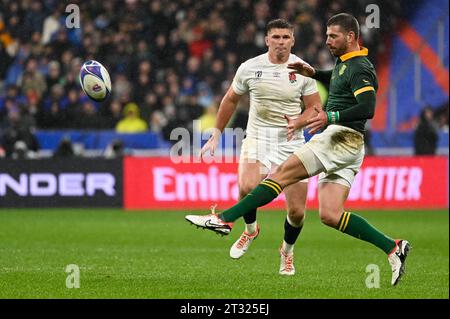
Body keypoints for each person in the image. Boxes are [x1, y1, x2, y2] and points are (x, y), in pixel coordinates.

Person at [186, 13, 411, 286]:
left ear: (351, 37)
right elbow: (338, 81)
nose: (327, 40)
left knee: (280, 178)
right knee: (330, 214)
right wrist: (315, 73)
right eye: (327, 35)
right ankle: (392, 247)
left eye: (333, 36)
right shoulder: (344, 63)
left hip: (339, 137)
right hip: (349, 146)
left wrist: (330, 117)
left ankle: (224, 219)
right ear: (267, 39)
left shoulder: (360, 67)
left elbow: (368, 108)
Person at [198, 19, 322, 275]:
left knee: (297, 212)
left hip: (291, 141)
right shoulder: (250, 67)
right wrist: (216, 133)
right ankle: (251, 230)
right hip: (258, 136)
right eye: (275, 37)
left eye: (285, 37)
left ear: (293, 40)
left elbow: (315, 107)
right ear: (267, 40)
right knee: (246, 187)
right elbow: (230, 99)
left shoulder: (302, 70)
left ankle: (286, 251)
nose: (280, 42)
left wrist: (298, 122)